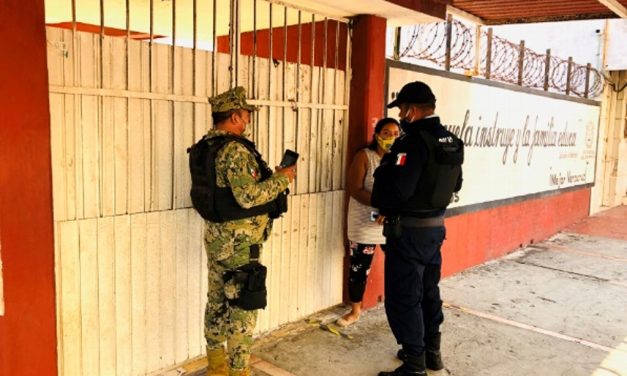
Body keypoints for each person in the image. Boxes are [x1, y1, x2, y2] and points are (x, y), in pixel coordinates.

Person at [203, 87, 296, 376]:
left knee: (216, 302)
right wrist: (282, 179)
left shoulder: (208, 146)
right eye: (245, 115)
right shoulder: (234, 150)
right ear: (234, 116)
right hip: (241, 245)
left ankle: (216, 366)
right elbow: (247, 197)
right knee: (243, 308)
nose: (247, 121)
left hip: (217, 240)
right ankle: (239, 371)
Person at [372, 81, 464, 376]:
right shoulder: (451, 141)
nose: (399, 115)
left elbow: (400, 189)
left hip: (408, 232)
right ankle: (432, 352)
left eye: (400, 109)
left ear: (411, 110)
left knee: (404, 295)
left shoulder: (411, 142)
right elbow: (456, 184)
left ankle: (414, 363)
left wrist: (383, 176)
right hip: (435, 229)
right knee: (428, 290)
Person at [336, 118, 401, 327]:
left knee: (400, 265)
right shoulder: (365, 156)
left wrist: (390, 210)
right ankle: (355, 310)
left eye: (395, 134)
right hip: (363, 224)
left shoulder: (401, 159)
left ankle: (399, 307)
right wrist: (381, 205)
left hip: (390, 222)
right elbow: (355, 189)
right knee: (358, 270)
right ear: (376, 135)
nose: (390, 138)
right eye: (386, 133)